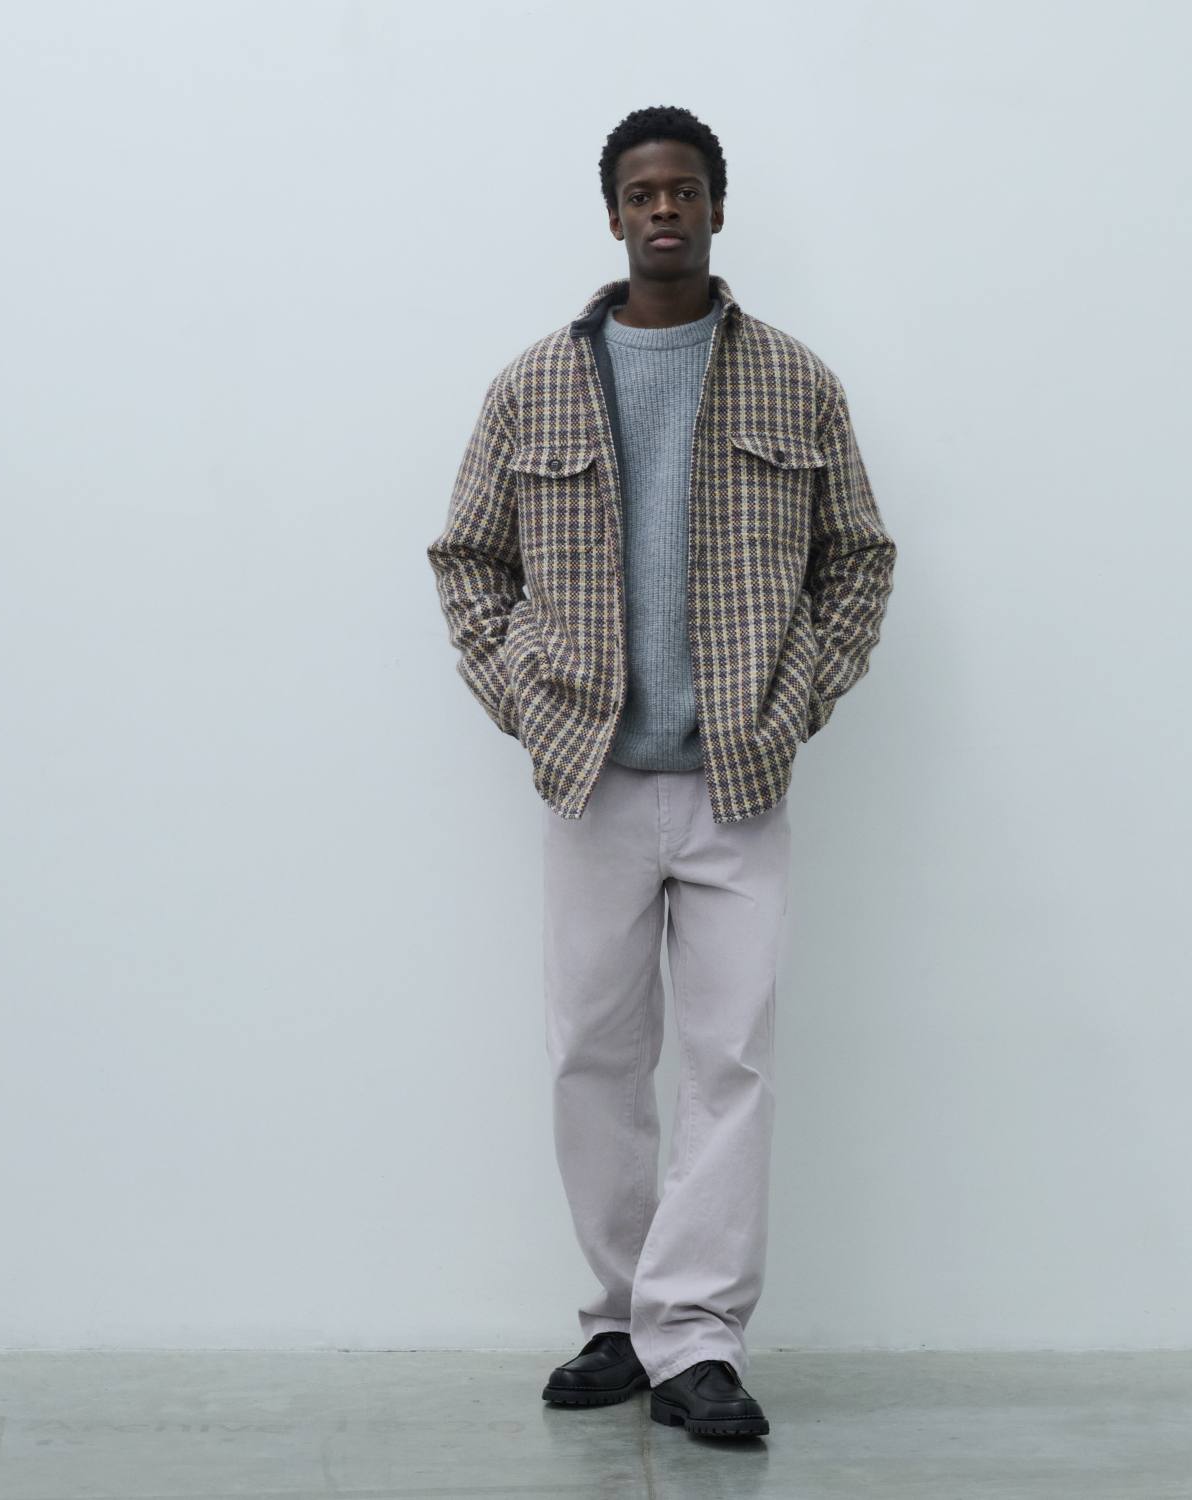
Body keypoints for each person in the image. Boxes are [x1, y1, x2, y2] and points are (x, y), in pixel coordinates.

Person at [426, 104, 897, 1440]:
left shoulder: (795, 380)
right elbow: (468, 559)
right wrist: (528, 705)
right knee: (594, 1056)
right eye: (643, 193)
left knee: (728, 1060)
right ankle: (620, 1321)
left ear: (717, 208)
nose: (665, 211)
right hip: (592, 783)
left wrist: (795, 700)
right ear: (614, 215)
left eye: (685, 190)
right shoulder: (532, 385)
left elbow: (860, 556)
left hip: (738, 781)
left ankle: (697, 1340)